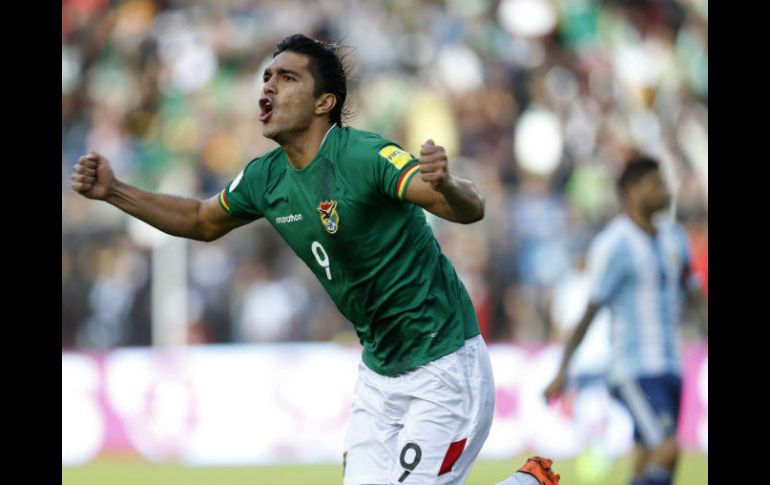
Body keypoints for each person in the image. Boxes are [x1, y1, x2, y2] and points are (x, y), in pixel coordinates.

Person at [71, 33, 555, 484]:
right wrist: (114, 191)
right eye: (266, 77)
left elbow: (465, 209)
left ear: (326, 103)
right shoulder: (266, 178)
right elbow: (200, 220)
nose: (268, 88)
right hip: (380, 375)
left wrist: (447, 182)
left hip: (444, 366)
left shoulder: (364, 156)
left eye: (287, 78)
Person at [544, 154, 707, 485]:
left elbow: (691, 293)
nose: (665, 191)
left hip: (671, 364)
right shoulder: (614, 244)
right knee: (668, 449)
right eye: (655, 184)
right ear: (631, 191)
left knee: (648, 459)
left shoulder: (674, 238)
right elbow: (592, 309)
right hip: (633, 368)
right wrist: (563, 368)